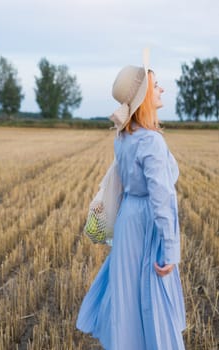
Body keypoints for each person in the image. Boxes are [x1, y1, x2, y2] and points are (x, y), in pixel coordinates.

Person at [76, 62, 186, 349]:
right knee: (152, 298)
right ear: (144, 95)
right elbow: (162, 200)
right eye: (156, 84)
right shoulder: (151, 141)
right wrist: (172, 249)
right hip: (147, 221)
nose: (162, 88)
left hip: (128, 220)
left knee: (127, 296)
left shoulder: (125, 135)